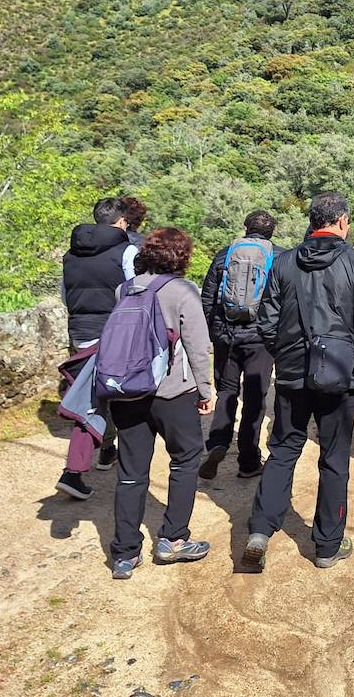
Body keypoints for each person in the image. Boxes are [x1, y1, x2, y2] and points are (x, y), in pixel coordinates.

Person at [242, 192, 354, 572]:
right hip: (338, 374)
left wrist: (285, 353)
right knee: (334, 458)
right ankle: (327, 545)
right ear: (341, 222)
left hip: (290, 374)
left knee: (284, 449)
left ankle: (260, 531)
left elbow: (266, 320)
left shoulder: (284, 262)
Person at [108, 227, 215, 579]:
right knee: (185, 460)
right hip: (172, 393)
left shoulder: (124, 289)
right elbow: (198, 349)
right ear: (182, 256)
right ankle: (173, 538)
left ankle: (125, 553)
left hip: (127, 392)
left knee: (131, 472)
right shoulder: (183, 292)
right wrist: (206, 391)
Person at [55, 196, 138, 500]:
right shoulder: (126, 250)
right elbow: (134, 294)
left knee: (96, 396)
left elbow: (65, 295)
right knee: (103, 400)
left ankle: (106, 451)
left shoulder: (70, 254)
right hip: (113, 332)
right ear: (120, 222)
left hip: (80, 331)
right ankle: (75, 471)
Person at [198, 209, 278, 480]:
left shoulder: (225, 254)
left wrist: (213, 333)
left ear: (245, 228)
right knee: (255, 397)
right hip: (261, 338)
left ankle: (219, 442)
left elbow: (208, 297)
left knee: (227, 391)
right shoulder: (277, 256)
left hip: (226, 335)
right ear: (272, 232)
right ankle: (248, 460)